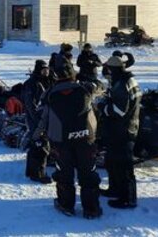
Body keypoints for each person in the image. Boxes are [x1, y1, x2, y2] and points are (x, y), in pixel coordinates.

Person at [35, 54, 102, 219]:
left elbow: (43, 118)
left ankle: (66, 205)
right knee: (88, 173)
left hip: (61, 141)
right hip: (86, 138)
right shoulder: (85, 88)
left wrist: (36, 136)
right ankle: (91, 209)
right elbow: (101, 87)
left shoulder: (49, 94)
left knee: (64, 174)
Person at [98, 54, 141, 209]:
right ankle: (115, 189)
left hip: (123, 130)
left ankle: (128, 198)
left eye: (108, 69)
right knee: (112, 162)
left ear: (113, 69)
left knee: (124, 165)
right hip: (118, 129)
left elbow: (119, 110)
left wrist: (103, 106)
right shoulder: (126, 79)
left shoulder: (122, 83)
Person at [22, 60, 53, 184]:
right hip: (36, 120)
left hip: (41, 119)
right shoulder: (32, 84)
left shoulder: (44, 81)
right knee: (41, 145)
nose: (46, 72)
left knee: (35, 145)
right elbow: (31, 105)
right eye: (44, 70)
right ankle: (38, 174)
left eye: (47, 69)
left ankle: (31, 171)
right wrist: (39, 121)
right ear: (38, 70)